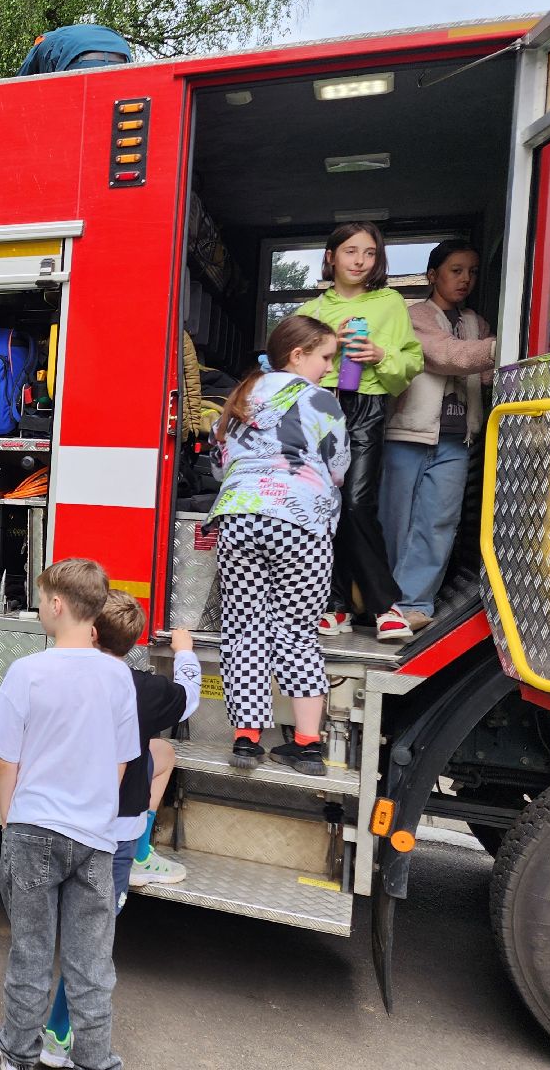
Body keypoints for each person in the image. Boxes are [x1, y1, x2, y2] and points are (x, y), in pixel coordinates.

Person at [0, 558, 138, 1070]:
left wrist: (10, 820)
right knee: (91, 963)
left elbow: (6, 759)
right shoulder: (119, 676)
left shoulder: (27, 671)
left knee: (31, 954)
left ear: (57, 604)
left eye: (42, 599)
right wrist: (94, 811)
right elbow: (122, 759)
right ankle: (94, 1060)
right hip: (96, 837)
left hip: (33, 829)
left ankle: (16, 1057)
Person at [39, 596, 201, 1069]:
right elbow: (189, 699)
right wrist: (185, 652)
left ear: (89, 628)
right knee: (92, 939)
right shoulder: (143, 689)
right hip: (112, 833)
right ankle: (59, 1036)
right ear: (134, 643)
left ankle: (27, 1035)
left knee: (160, 755)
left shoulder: (56, 672)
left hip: (59, 817)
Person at [208, 315, 350, 774]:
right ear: (298, 355)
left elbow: (218, 466)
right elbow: (338, 467)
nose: (329, 367)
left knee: (244, 628)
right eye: (325, 356)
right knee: (296, 630)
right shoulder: (321, 400)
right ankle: (307, 745)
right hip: (299, 522)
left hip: (239, 519)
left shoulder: (239, 397)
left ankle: (246, 740)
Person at [296, 221, 423, 641]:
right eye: (350, 251)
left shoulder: (390, 302)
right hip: (318, 409)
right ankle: (334, 605)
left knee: (356, 504)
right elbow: (287, 363)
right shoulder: (312, 310)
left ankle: (385, 606)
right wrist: (327, 346)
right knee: (323, 508)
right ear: (330, 256)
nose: (360, 261)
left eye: (369, 253)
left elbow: (412, 362)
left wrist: (381, 353)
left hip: (367, 405)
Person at [380, 241, 495, 630]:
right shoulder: (414, 316)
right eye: (456, 270)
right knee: (395, 520)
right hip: (407, 434)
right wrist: (501, 345)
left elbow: (486, 373)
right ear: (433, 275)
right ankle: (384, 601)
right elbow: (448, 356)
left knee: (440, 522)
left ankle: (414, 604)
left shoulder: (477, 324)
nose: (465, 279)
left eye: (472, 272)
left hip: (457, 439)